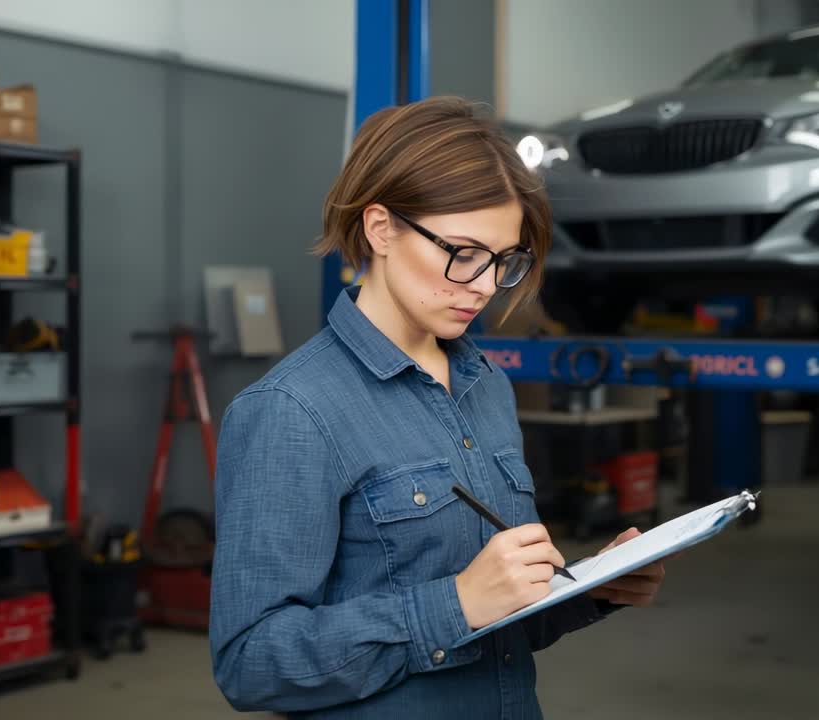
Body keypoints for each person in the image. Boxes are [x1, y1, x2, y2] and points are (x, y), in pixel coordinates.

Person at [209, 96, 667, 719]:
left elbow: (494, 632)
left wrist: (587, 590)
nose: (483, 284)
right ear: (381, 229)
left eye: (504, 261)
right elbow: (251, 663)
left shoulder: (486, 386)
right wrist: (454, 603)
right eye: (464, 252)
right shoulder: (292, 412)